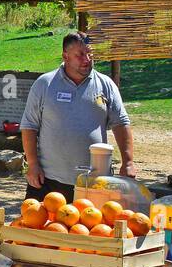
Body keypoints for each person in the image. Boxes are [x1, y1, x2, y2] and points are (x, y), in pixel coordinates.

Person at [20, 31, 133, 201]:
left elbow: (121, 123)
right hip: (49, 180)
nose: (87, 60)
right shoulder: (45, 84)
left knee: (94, 227)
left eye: (90, 54)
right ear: (65, 56)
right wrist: (33, 164)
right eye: (80, 55)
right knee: (40, 225)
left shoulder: (105, 84)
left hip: (95, 181)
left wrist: (128, 162)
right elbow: (29, 126)